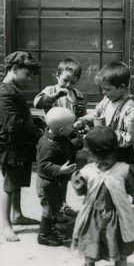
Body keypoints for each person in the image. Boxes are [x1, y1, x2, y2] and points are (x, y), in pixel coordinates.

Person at [71, 126, 134, 266]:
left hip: (92, 217)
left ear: (91, 152)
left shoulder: (86, 171)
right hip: (117, 218)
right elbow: (132, 189)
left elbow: (80, 191)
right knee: (120, 248)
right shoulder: (124, 169)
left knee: (90, 242)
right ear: (116, 149)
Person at [0, 51, 41, 242]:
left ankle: (17, 215)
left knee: (17, 180)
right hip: (9, 145)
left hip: (18, 143)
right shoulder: (5, 92)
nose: (29, 79)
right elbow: (13, 123)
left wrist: (35, 122)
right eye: (27, 74)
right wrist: (36, 132)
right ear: (13, 69)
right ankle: (6, 225)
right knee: (10, 185)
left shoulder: (13, 89)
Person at [34, 58, 86, 217]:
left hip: (68, 140)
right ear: (57, 75)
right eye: (65, 80)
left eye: (73, 82)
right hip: (52, 140)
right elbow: (38, 103)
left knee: (64, 172)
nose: (69, 85)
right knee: (52, 172)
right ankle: (51, 208)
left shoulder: (77, 95)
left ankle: (62, 205)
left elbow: (81, 115)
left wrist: (80, 124)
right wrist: (56, 95)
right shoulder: (50, 90)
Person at [36, 107, 82, 246]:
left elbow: (69, 146)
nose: (73, 128)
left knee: (56, 205)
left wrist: (78, 141)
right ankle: (44, 235)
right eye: (71, 126)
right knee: (49, 209)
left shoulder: (61, 137)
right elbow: (43, 165)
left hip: (58, 181)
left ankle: (54, 223)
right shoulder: (48, 145)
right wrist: (60, 169)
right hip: (48, 183)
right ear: (61, 130)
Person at [79, 61, 134, 165]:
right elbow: (96, 114)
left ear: (121, 87)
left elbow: (131, 138)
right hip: (104, 153)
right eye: (102, 89)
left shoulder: (129, 109)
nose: (104, 92)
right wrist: (83, 121)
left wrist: (107, 136)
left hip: (121, 156)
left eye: (107, 89)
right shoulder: (107, 100)